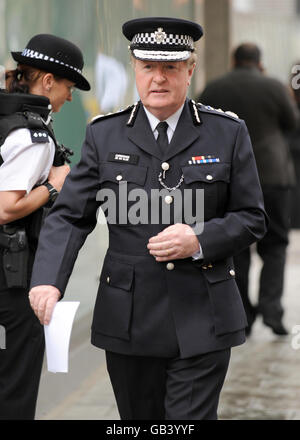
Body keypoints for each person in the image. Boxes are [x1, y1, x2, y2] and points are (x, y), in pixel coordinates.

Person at [29, 18, 267, 420]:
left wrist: (199, 239)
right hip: (129, 317)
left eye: (170, 67)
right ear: (134, 69)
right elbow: (70, 215)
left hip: (203, 315)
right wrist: (48, 280)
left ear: (190, 70)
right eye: (148, 67)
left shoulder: (226, 132)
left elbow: (252, 217)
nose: (158, 78)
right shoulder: (104, 135)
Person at [0, 33, 90, 420]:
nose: (70, 97)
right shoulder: (32, 135)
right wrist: (56, 184)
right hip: (12, 276)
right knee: (16, 381)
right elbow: (6, 207)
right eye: (69, 86)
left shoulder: (6, 115)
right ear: (49, 81)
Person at [199, 43, 299, 336]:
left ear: (234, 60)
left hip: (229, 176)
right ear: (260, 62)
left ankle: (243, 313)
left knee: (237, 247)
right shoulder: (274, 87)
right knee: (276, 245)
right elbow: (292, 122)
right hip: (273, 175)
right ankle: (272, 310)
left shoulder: (214, 88)